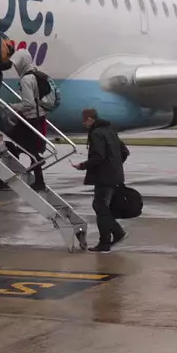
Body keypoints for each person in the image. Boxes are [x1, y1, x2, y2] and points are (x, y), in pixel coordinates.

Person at [74, 107, 127, 251]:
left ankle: (106, 242)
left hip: (104, 177)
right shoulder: (110, 130)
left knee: (101, 209)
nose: (84, 124)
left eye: (84, 121)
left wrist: (82, 165)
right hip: (114, 175)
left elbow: (98, 156)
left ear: (90, 120)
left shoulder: (96, 133)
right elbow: (124, 151)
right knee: (99, 206)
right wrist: (115, 165)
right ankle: (116, 232)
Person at [5, 47, 48, 191]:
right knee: (30, 147)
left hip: (31, 117)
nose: (16, 68)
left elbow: (28, 103)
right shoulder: (36, 74)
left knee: (12, 135)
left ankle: (22, 158)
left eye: (17, 65)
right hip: (40, 115)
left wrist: (12, 106)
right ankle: (39, 181)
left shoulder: (26, 79)